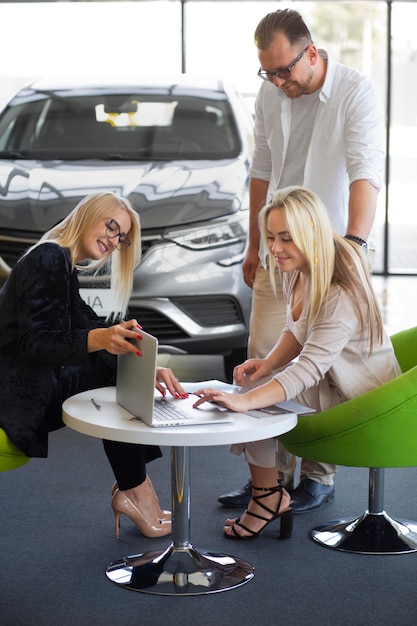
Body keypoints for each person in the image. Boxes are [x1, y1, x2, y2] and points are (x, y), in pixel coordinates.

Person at [218, 8, 385, 513]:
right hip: (277, 249)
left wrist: (353, 247)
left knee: (322, 365)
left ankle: (318, 475)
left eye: (285, 70)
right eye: (268, 72)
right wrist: (255, 244)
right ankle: (270, 479)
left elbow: (365, 173)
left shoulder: (356, 92)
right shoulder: (272, 92)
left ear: (311, 53)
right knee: (264, 353)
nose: (277, 80)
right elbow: (262, 171)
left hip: (331, 252)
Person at [195, 186, 400, 540]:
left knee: (252, 402)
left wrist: (247, 399)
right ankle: (268, 494)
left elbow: (309, 367)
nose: (275, 248)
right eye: (272, 237)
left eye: (286, 238)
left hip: (368, 399)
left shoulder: (340, 288)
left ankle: (267, 498)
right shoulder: (303, 265)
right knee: (253, 387)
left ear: (311, 233)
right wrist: (268, 361)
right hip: (335, 379)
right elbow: (297, 328)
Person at [0, 191, 188, 540]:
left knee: (118, 372)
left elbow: (90, 327)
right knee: (111, 381)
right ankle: (135, 492)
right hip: (14, 397)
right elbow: (34, 343)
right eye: (111, 226)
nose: (114, 240)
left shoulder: (62, 264)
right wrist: (103, 341)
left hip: (20, 387)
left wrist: (143, 363)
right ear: (89, 215)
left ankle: (135, 490)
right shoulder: (50, 256)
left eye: (121, 236)